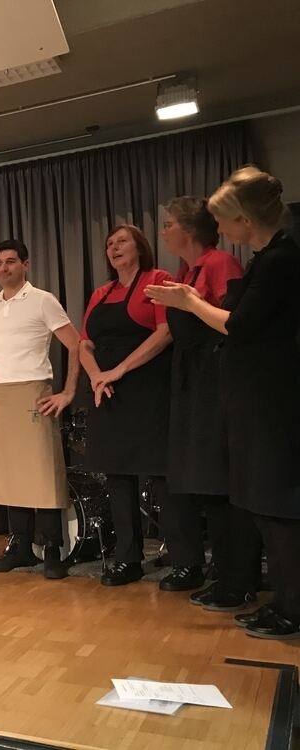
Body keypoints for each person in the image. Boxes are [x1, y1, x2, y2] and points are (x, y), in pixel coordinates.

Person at [147, 167, 300, 639]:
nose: (222, 230)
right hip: (254, 395)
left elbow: (240, 325)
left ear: (244, 220)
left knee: (276, 505)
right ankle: (282, 601)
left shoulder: (279, 260)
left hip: (273, 398)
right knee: (261, 503)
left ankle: (290, 606)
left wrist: (191, 302)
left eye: (225, 220)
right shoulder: (267, 257)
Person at [156, 197, 259, 599]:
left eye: (168, 224)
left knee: (220, 480)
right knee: (201, 479)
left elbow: (231, 325)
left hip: (215, 378)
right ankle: (221, 572)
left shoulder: (219, 264)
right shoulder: (187, 271)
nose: (163, 231)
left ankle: (238, 578)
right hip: (191, 378)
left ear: (189, 229)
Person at [78, 225, 173, 586]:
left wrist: (118, 370)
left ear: (140, 247)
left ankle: (184, 559)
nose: (113, 248)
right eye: (109, 244)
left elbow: (165, 332)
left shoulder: (158, 278)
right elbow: (85, 343)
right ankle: (127, 559)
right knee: (117, 476)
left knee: (161, 474)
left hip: (147, 388)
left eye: (122, 241)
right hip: (108, 391)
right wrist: (97, 376)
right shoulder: (101, 292)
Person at [0, 239, 81, 580]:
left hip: (33, 390)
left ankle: (52, 547)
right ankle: (21, 545)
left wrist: (68, 391)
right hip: (1, 391)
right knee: (9, 472)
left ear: (26, 264)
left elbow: (76, 343)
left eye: (11, 261)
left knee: (42, 471)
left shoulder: (43, 300)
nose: (4, 268)